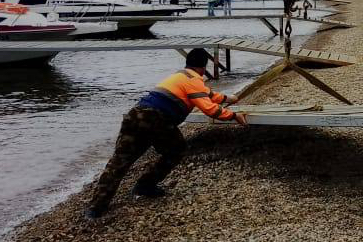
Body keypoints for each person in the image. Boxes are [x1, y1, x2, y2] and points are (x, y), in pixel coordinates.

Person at [85, 49, 248, 220]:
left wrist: (229, 98)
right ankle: (145, 185)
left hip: (135, 115)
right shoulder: (195, 80)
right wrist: (234, 116)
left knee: (119, 161)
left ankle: (95, 208)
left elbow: (209, 95)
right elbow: (210, 109)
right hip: (156, 119)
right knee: (176, 150)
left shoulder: (180, 76)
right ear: (203, 67)